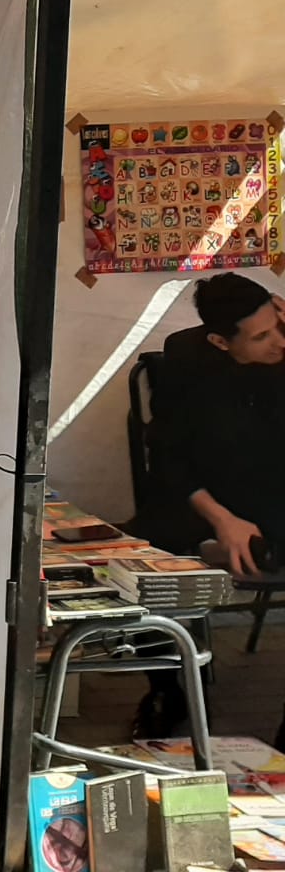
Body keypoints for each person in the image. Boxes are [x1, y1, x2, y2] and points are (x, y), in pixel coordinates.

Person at [136, 274, 285, 737]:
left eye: (278, 326)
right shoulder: (186, 358)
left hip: (276, 494)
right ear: (220, 341)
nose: (278, 342)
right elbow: (167, 456)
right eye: (260, 337)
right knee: (131, 562)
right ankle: (168, 689)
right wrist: (222, 520)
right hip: (207, 499)